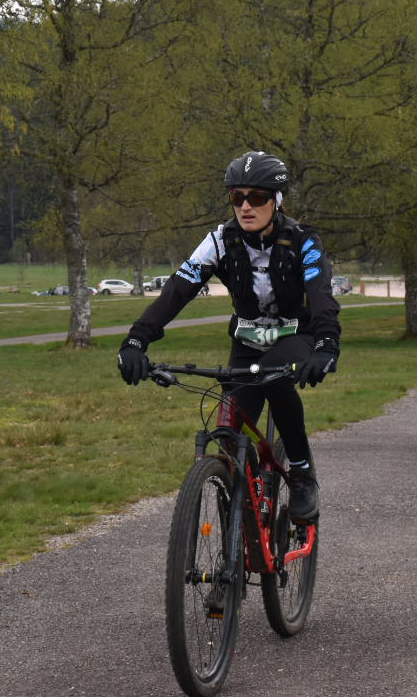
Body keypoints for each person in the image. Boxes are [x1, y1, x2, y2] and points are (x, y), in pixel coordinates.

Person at [117, 152, 341, 524]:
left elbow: (321, 297)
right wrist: (136, 341)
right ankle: (237, 529)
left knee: (275, 377)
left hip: (294, 337)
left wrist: (327, 344)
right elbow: (177, 290)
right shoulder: (220, 241)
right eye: (237, 197)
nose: (245, 206)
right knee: (228, 434)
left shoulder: (304, 241)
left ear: (277, 200)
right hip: (246, 343)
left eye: (257, 197)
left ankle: (301, 473)